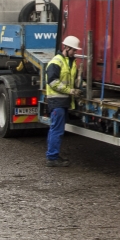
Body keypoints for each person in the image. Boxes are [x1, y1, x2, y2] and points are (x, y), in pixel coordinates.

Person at [44, 35, 82, 167]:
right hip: (57, 101)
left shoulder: (71, 63)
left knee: (55, 129)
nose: (75, 52)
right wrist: (70, 91)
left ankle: (52, 155)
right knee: (57, 130)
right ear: (66, 47)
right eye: (74, 50)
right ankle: (52, 158)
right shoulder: (56, 62)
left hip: (62, 102)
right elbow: (52, 82)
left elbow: (73, 80)